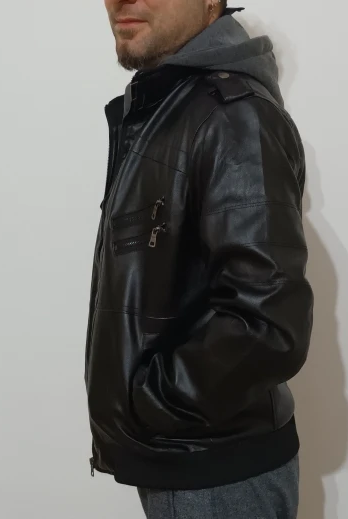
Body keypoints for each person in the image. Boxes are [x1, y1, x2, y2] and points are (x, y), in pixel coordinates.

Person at [84, 1, 314, 517]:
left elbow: (268, 325)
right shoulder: (173, 107)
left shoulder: (233, 117)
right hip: (192, 465)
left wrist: (147, 402)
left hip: (215, 478)